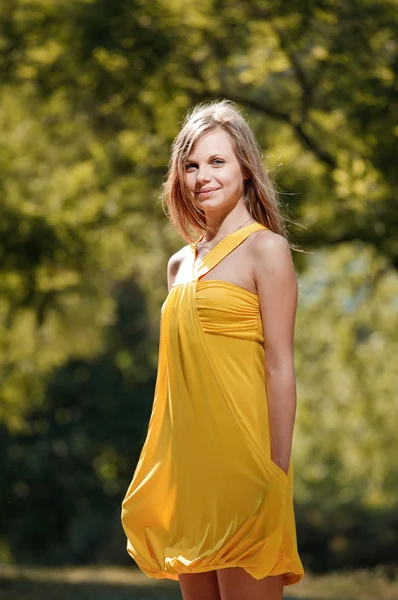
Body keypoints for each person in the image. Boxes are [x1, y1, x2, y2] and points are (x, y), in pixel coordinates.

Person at [121, 99, 305, 600]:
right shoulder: (179, 264)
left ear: (245, 167)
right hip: (191, 471)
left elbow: (280, 365)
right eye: (191, 165)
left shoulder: (266, 249)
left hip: (247, 466)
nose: (202, 175)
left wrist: (277, 473)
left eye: (217, 161)